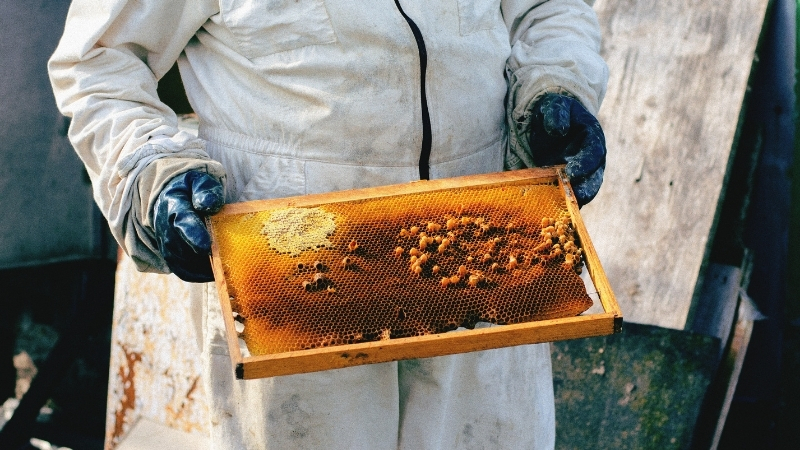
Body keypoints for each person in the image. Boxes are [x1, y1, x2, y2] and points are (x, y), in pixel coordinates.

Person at [49, 1, 607, 448]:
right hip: (294, 277)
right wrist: (150, 169)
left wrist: (556, 84)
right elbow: (98, 61)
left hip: (485, 257)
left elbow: (549, 9)